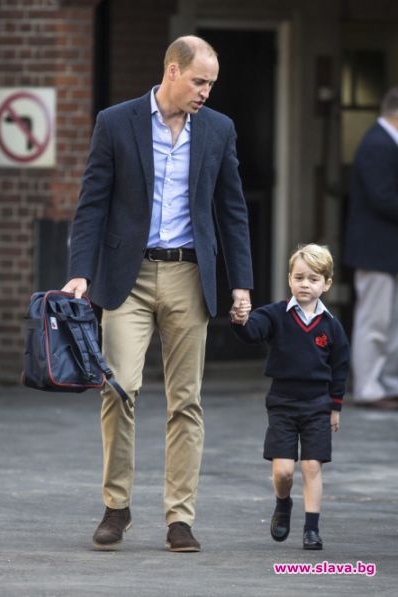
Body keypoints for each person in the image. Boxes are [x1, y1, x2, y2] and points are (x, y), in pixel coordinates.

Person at [62, 35, 253, 552]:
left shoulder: (218, 129)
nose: (206, 91)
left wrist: (240, 282)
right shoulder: (115, 122)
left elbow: (232, 209)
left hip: (190, 276)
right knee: (118, 387)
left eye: (211, 83)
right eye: (199, 81)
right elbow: (92, 203)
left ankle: (179, 518)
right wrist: (80, 272)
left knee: (185, 400)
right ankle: (116, 506)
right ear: (172, 71)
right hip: (128, 276)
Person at [231, 244, 349, 550]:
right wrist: (241, 320)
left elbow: (340, 367)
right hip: (282, 404)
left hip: (318, 406)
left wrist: (335, 406)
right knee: (283, 471)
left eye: (313, 279)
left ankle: (312, 529)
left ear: (326, 284)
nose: (305, 284)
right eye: (299, 278)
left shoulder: (331, 327)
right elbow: (253, 332)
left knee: (312, 466)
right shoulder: (275, 315)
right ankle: (283, 503)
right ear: (289, 279)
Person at [344, 86, 398, 410]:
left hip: (386, 250)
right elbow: (383, 198)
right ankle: (368, 387)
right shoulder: (378, 144)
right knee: (374, 321)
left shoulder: (384, 142)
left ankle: (388, 384)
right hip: (375, 249)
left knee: (390, 322)